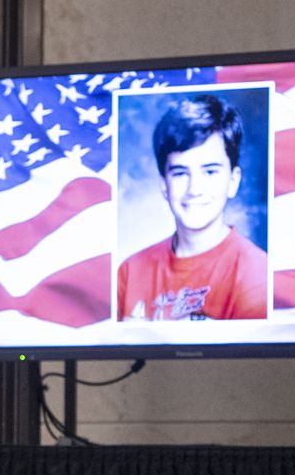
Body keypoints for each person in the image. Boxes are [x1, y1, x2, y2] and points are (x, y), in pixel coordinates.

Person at [116, 92, 270, 322]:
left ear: (233, 181)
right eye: (180, 173)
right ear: (164, 185)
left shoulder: (258, 274)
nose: (194, 189)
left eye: (209, 171)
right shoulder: (130, 271)